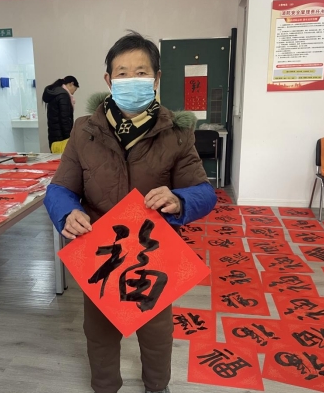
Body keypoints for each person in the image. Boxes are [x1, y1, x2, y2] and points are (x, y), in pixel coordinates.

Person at [44, 32, 216, 393]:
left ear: (156, 78)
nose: (131, 79)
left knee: (156, 331)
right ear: (109, 80)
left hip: (153, 252)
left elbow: (204, 192)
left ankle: (157, 386)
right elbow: (59, 188)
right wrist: (66, 212)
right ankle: (105, 387)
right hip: (101, 252)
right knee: (99, 332)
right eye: (122, 73)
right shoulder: (85, 131)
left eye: (141, 72)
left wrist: (180, 200)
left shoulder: (176, 132)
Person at [42, 75, 79, 152]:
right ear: (71, 84)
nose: (73, 93)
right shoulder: (63, 95)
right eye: (74, 90)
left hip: (54, 136)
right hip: (62, 138)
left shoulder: (55, 93)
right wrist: (69, 138)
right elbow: (65, 119)